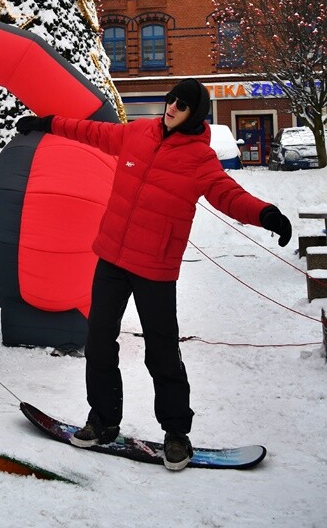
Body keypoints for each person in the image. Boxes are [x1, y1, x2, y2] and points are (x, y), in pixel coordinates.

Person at [17, 78, 292, 471]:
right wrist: (47, 124)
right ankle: (103, 421)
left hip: (155, 268)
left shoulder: (200, 160)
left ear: (194, 113)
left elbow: (229, 195)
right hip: (112, 256)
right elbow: (91, 131)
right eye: (171, 100)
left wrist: (265, 214)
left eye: (181, 104)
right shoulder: (138, 134)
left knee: (162, 353)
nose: (172, 107)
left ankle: (177, 434)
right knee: (98, 343)